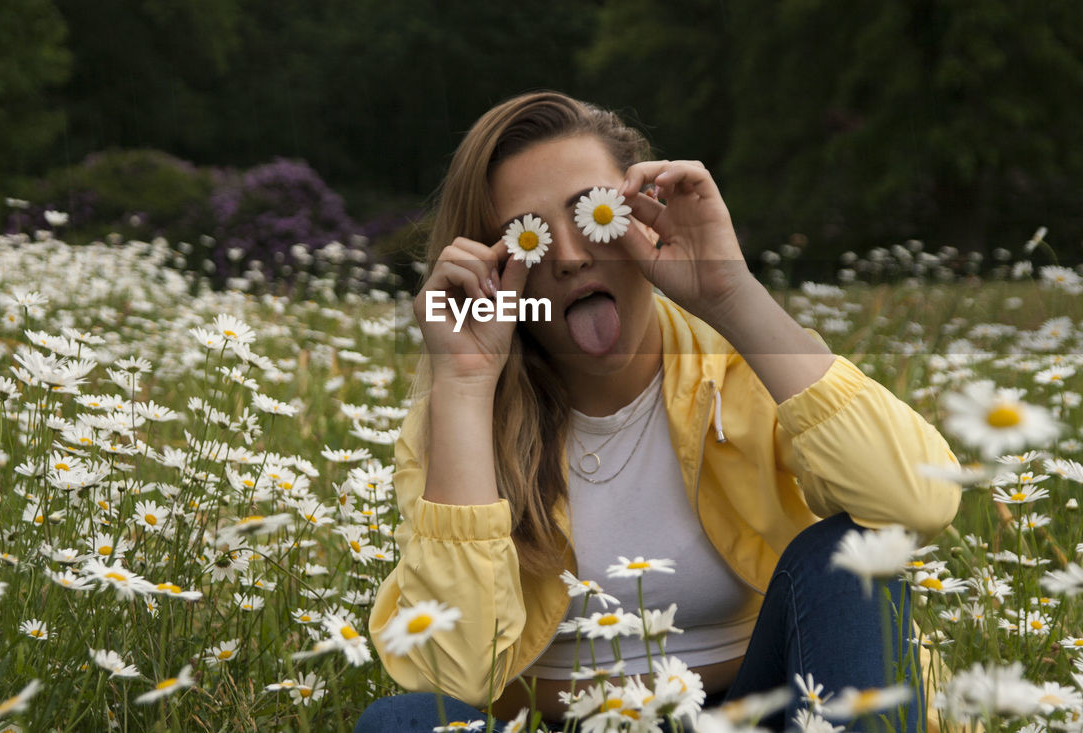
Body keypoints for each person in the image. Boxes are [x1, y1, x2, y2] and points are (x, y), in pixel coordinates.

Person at [356, 91, 962, 732]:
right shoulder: (457, 421)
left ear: (647, 215)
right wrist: (465, 382)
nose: (568, 255)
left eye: (593, 214)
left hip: (763, 715)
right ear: (492, 270)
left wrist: (732, 295)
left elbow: (919, 503)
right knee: (402, 722)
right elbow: (449, 677)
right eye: (524, 237)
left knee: (847, 553)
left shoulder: (746, 367)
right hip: (557, 723)